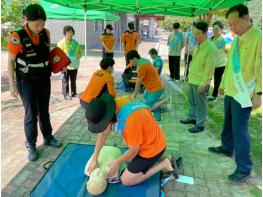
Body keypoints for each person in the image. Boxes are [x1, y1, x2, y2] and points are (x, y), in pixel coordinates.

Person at [208, 4, 261, 183]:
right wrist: (222, 83)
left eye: (235, 23)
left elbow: (260, 69)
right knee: (228, 122)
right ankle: (227, 146)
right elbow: (230, 64)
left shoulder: (258, 39)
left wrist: (259, 93)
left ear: (247, 18)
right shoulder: (237, 38)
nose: (232, 28)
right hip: (230, 89)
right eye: (229, 24)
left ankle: (244, 167)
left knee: (240, 129)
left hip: (244, 93)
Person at [86, 93, 178, 186]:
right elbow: (103, 134)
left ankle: (164, 164)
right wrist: (94, 157)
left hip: (152, 148)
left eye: (102, 125)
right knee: (128, 160)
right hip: (152, 139)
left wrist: (117, 162)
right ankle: (162, 158)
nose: (102, 128)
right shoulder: (116, 103)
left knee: (126, 180)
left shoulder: (130, 122)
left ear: (108, 118)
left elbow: (134, 150)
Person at [7, 4, 62, 161]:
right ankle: (31, 144)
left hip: (44, 78)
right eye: (36, 24)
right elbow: (11, 61)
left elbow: (47, 54)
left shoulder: (46, 33)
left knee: (44, 110)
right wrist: (12, 84)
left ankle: (48, 137)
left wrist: (60, 63)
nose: (40, 27)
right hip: (26, 81)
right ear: (26, 20)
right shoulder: (17, 36)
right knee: (31, 113)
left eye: (42, 23)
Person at [180, 22, 217, 133]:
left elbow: (209, 69)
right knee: (191, 100)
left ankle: (200, 124)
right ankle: (192, 117)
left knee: (201, 104)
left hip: (201, 81)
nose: (196, 37)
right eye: (194, 34)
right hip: (193, 78)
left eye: (198, 34)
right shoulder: (198, 45)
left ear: (206, 33)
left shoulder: (211, 48)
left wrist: (204, 83)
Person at [57, 26, 82, 100]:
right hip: (64, 66)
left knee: (73, 80)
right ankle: (66, 94)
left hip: (74, 65)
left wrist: (78, 56)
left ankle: (74, 93)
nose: (70, 34)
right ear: (65, 33)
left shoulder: (76, 43)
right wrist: (62, 65)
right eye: (68, 32)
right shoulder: (60, 43)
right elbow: (59, 55)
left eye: (71, 32)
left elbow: (79, 53)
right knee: (65, 80)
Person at [207, 21, 227, 103]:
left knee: (217, 81)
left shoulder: (224, 40)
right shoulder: (212, 38)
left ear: (222, 29)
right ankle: (206, 93)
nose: (214, 31)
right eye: (213, 29)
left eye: (217, 29)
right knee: (208, 78)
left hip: (220, 64)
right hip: (212, 63)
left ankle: (214, 96)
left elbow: (228, 50)